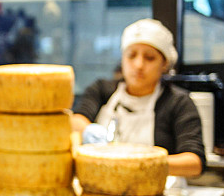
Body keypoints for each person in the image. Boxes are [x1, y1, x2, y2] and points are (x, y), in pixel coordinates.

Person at [71, 19, 204, 177]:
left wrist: (144, 164)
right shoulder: (102, 90)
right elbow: (76, 120)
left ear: (164, 64)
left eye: (149, 58)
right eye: (131, 55)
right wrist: (89, 131)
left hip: (157, 190)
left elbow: (194, 162)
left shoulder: (178, 102)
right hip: (102, 184)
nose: (139, 65)